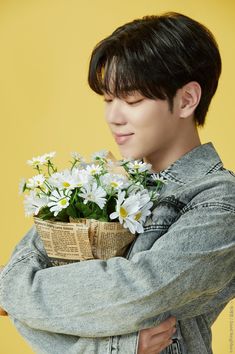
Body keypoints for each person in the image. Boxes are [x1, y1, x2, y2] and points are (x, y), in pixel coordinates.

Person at [0, 11, 235, 354]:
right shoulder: (102, 181)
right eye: (108, 100)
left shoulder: (219, 201)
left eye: (132, 100)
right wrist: (116, 345)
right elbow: (14, 276)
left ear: (186, 100)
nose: (114, 117)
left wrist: (25, 294)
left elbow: (136, 294)